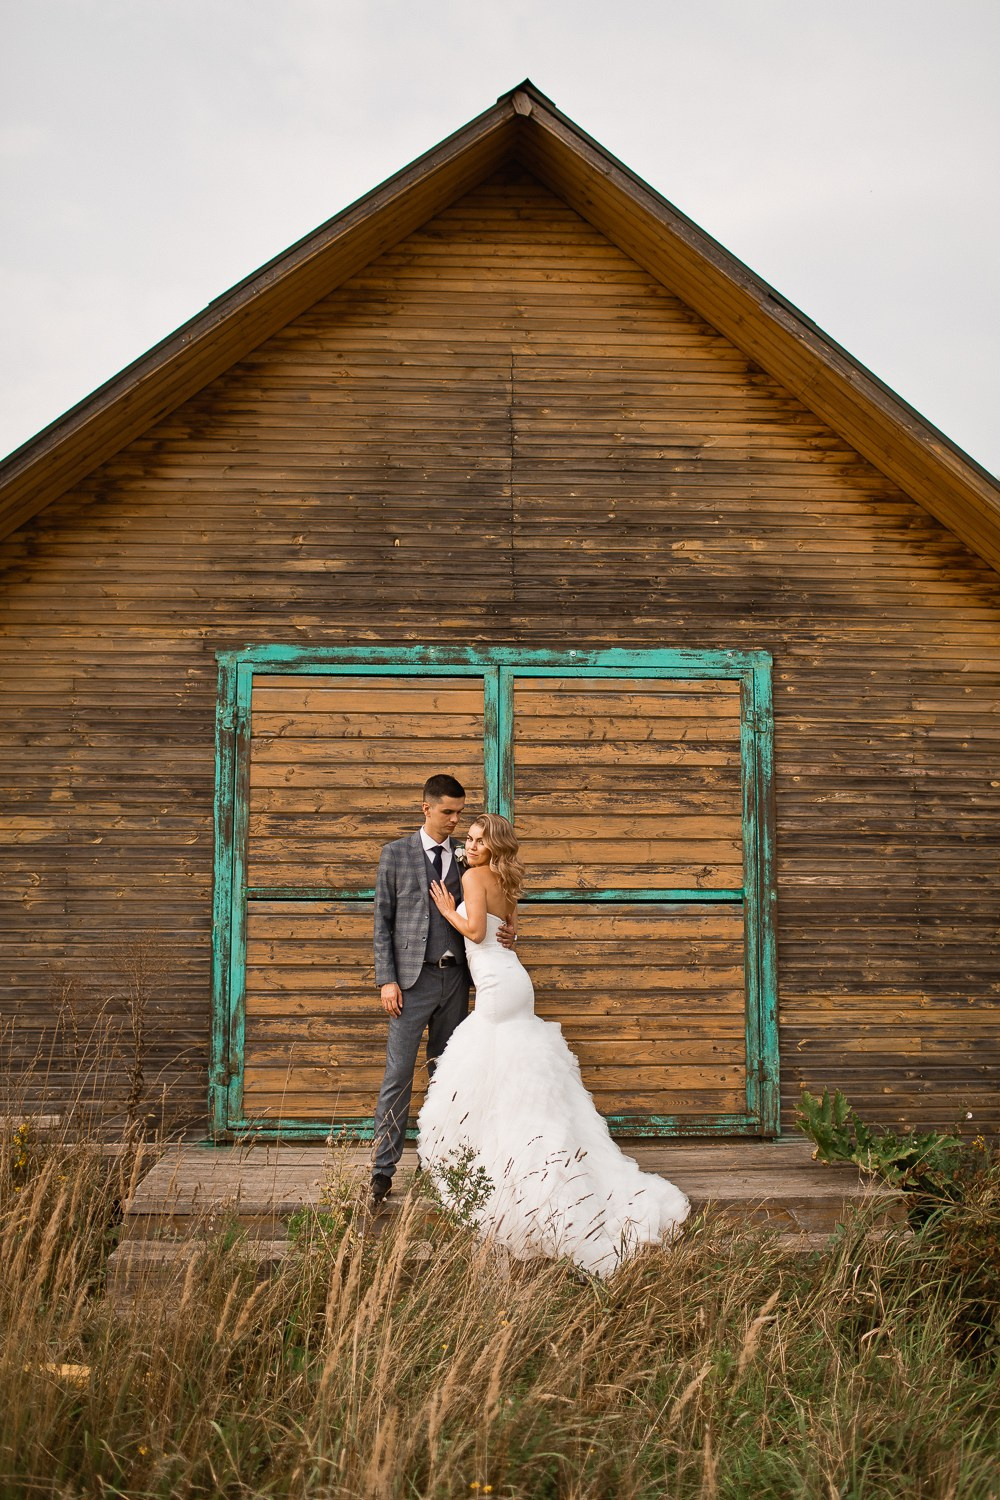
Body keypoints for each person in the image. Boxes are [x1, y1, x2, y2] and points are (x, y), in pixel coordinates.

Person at [417, 813, 690, 1277]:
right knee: (515, 1075)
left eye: (481, 841)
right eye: (471, 839)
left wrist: (448, 910)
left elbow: (479, 932)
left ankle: (507, 1161)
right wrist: (506, 931)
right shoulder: (505, 878)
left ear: (495, 847)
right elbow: (510, 931)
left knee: (487, 1067)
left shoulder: (473, 876)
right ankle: (519, 1148)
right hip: (513, 980)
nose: (473, 845)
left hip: (499, 991)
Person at [370, 775, 516, 1208]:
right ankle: (381, 1173)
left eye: (459, 813)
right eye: (447, 812)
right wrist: (387, 979)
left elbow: (493, 909)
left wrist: (507, 931)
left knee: (448, 1078)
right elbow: (382, 922)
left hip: (456, 983)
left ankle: (439, 1167)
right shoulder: (395, 854)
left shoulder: (469, 859)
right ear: (426, 808)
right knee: (397, 1077)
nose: (455, 821)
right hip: (410, 985)